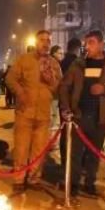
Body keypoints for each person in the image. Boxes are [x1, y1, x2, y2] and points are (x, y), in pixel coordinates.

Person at [59, 29, 105, 197]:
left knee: (94, 153)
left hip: (99, 118)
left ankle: (90, 183)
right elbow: (64, 87)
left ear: (101, 44)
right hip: (78, 116)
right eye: (86, 43)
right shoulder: (78, 64)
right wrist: (66, 108)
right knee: (75, 153)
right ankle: (73, 183)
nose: (87, 46)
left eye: (92, 42)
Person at [6, 29, 62, 193]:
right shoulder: (24, 60)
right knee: (21, 149)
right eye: (42, 40)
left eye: (48, 41)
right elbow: (10, 79)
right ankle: (18, 180)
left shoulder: (54, 64)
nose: (45, 43)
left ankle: (34, 178)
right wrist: (20, 92)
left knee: (39, 149)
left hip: (44, 114)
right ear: (36, 43)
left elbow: (60, 84)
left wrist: (52, 90)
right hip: (25, 112)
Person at [58, 37, 83, 167]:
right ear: (78, 48)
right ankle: (72, 163)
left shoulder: (61, 63)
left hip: (63, 103)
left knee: (64, 133)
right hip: (75, 103)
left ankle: (64, 161)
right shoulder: (78, 63)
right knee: (76, 135)